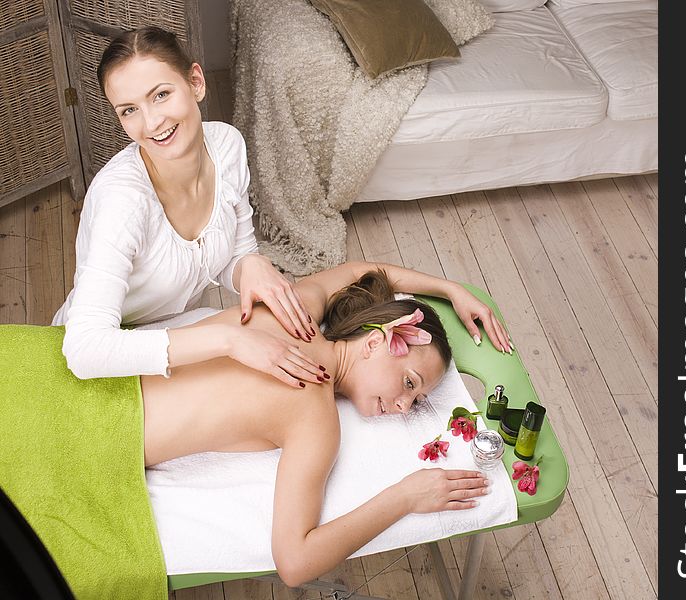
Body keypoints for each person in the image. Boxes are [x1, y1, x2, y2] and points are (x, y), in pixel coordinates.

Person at [141, 260, 509, 586]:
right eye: (409, 383)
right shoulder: (316, 421)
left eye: (415, 401)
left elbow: (359, 271)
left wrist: (448, 288)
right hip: (102, 433)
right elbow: (295, 562)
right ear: (375, 341)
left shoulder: (295, 308)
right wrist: (405, 497)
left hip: (104, 375)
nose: (403, 406)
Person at [52, 26, 322, 387]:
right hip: (103, 363)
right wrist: (228, 340)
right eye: (129, 110)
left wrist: (252, 264)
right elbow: (85, 349)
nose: (151, 123)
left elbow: (234, 252)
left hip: (173, 337)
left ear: (196, 82)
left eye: (161, 95)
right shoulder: (123, 203)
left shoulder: (226, 146)